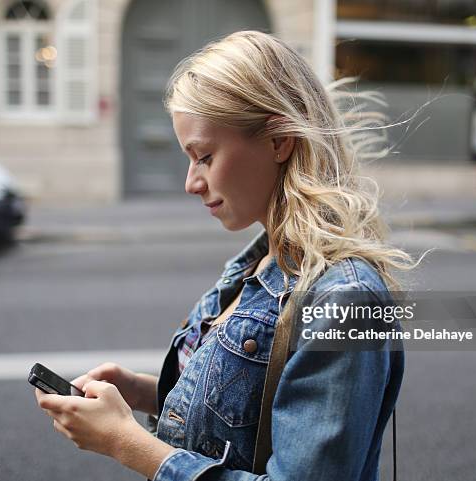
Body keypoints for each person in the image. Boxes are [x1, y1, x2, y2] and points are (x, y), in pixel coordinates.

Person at [35, 30, 419, 481]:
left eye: (204, 156)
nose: (191, 182)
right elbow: (250, 422)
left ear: (279, 140)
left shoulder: (345, 297)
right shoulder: (255, 265)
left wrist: (125, 441)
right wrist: (141, 392)